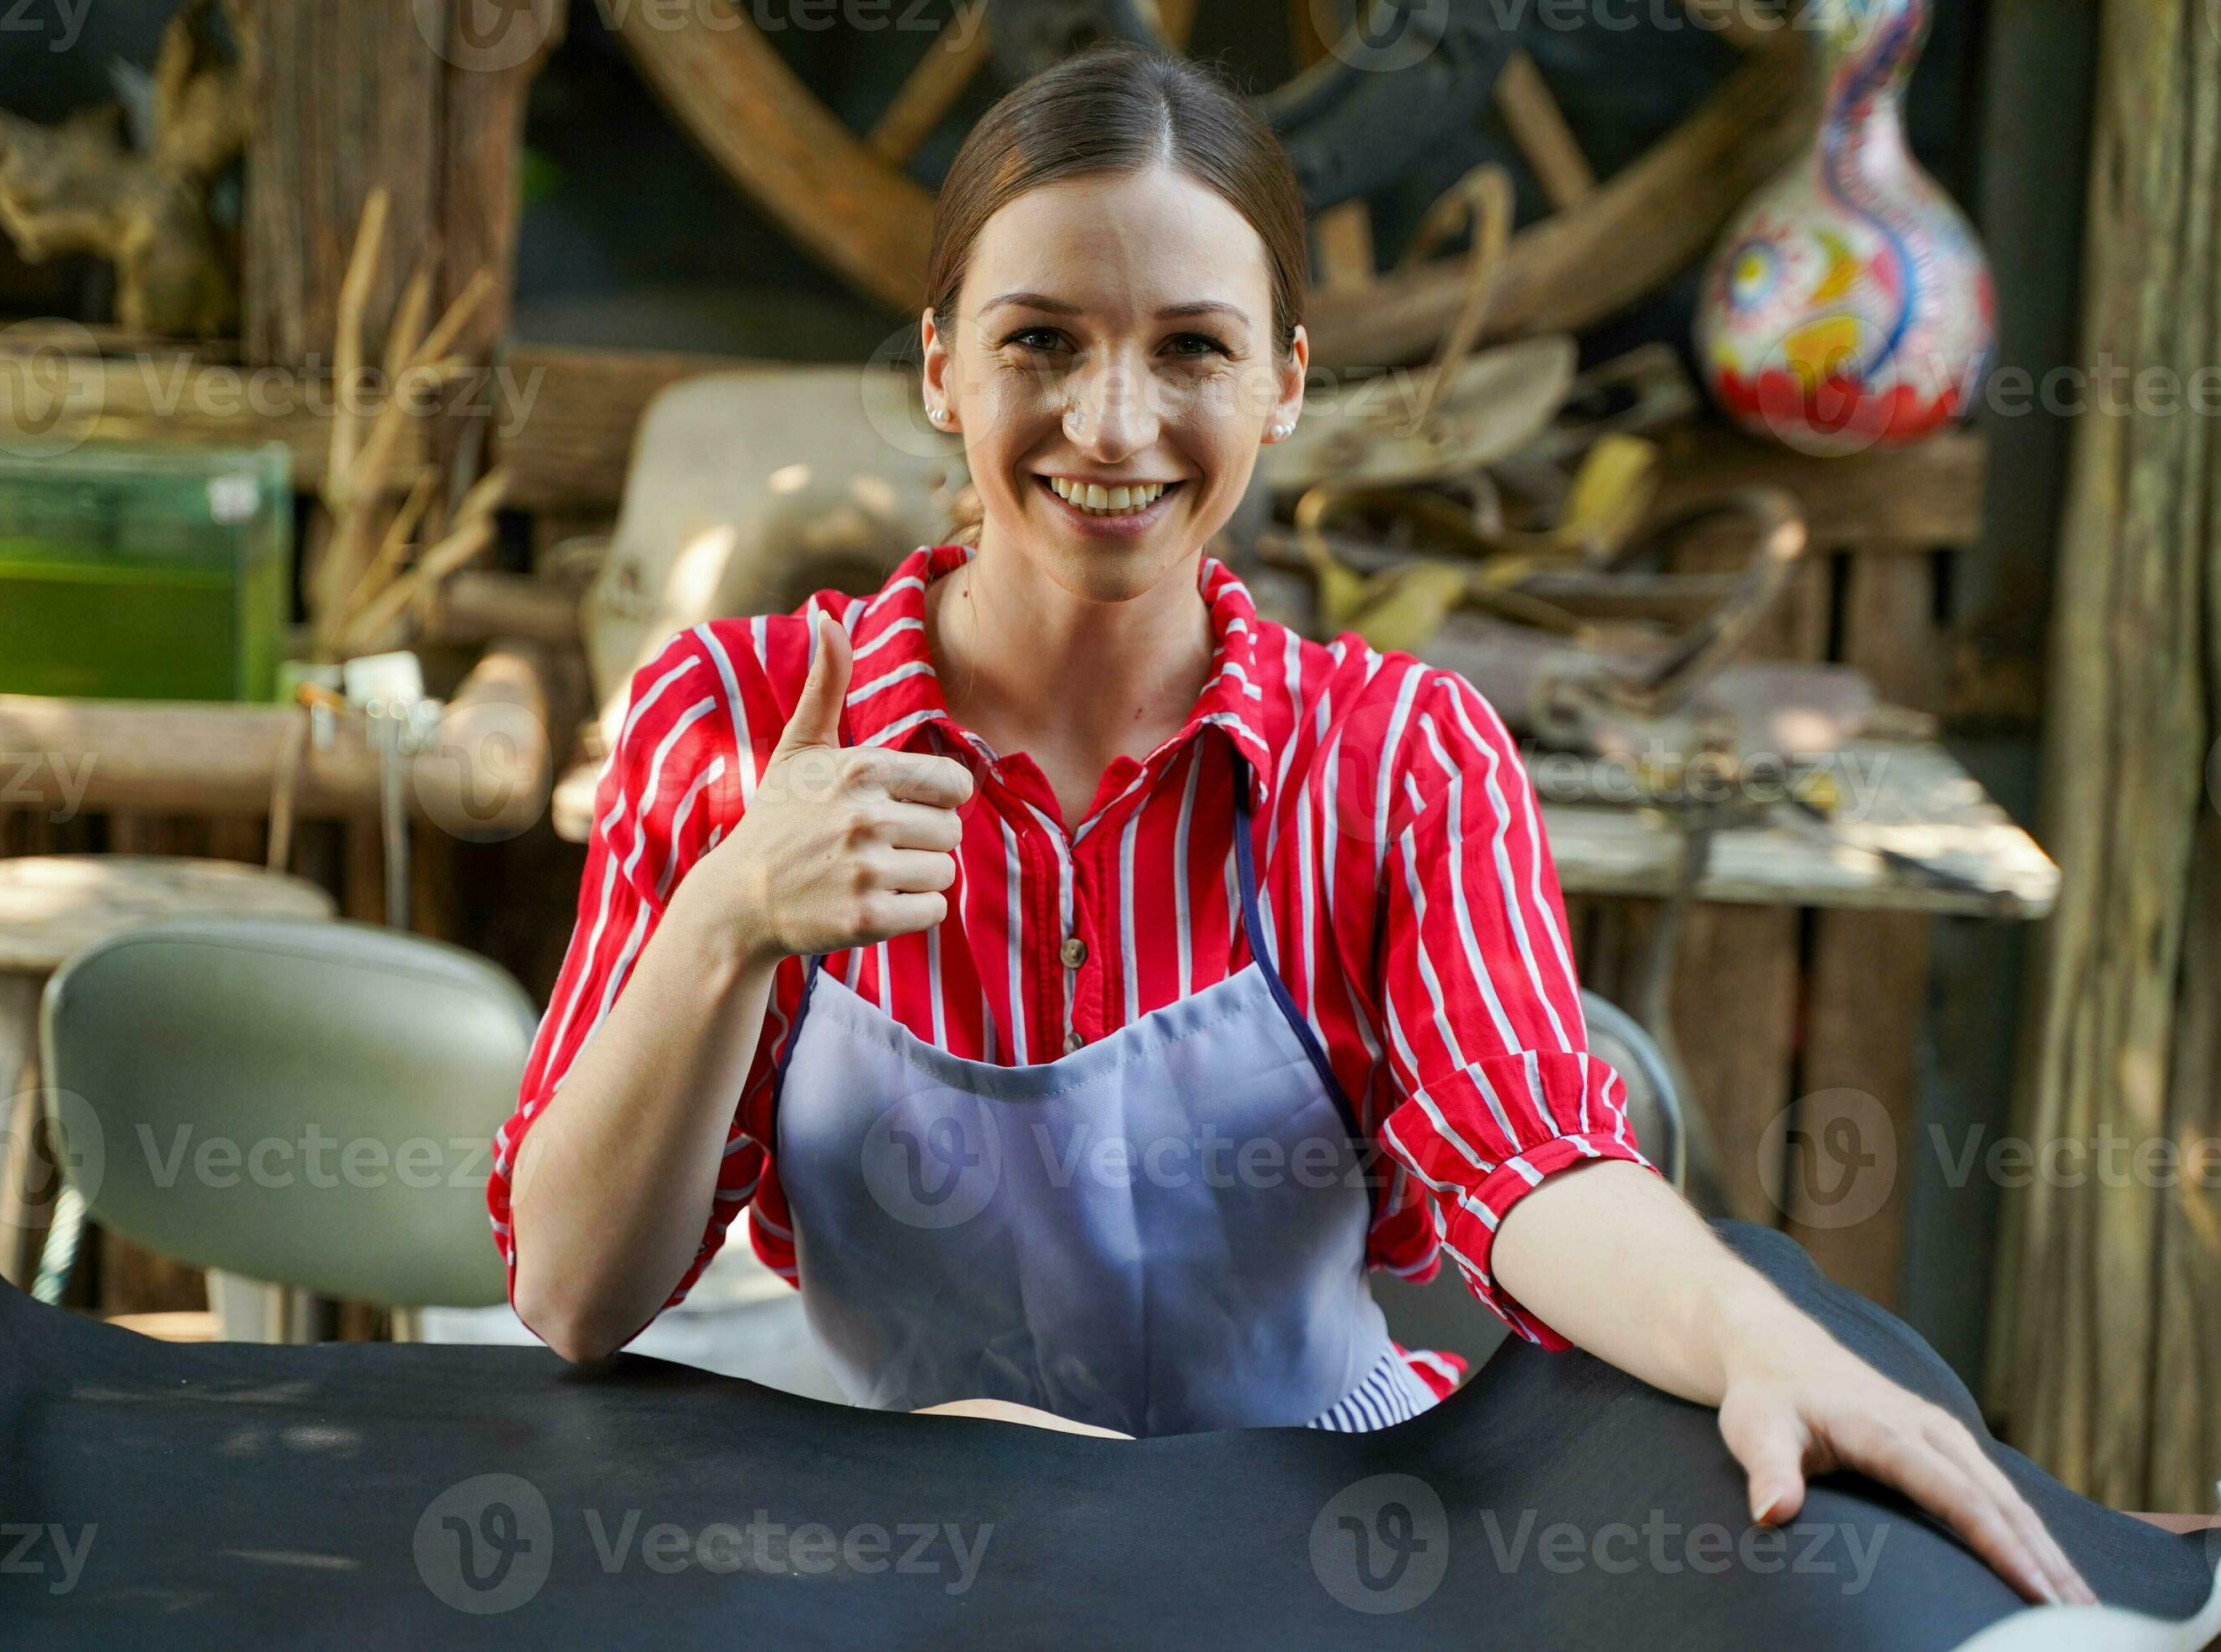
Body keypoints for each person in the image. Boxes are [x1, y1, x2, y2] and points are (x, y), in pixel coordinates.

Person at [490, 41, 2095, 1611]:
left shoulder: (1398, 759)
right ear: (938, 368)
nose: (1112, 427)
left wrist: (1765, 1346)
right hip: (906, 1545)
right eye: (1040, 340)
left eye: (1192, 348)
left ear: (1287, 382)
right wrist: (727, 920)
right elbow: (572, 1298)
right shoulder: (737, 721)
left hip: (1318, 1546)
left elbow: (1532, 1159)